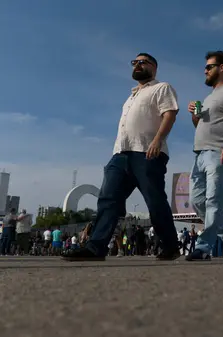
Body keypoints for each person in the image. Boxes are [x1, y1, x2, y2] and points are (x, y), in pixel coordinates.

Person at [62, 53, 180, 261]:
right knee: (108, 200)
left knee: (155, 201)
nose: (137, 65)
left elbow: (169, 114)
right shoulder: (131, 96)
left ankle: (170, 246)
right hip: (120, 155)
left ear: (154, 67)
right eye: (134, 63)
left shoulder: (162, 88)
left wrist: (158, 140)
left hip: (147, 152)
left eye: (142, 62)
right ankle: (95, 248)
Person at [186, 51, 223, 261]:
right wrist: (195, 115)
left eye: (209, 66)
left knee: (213, 201)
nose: (205, 70)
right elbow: (199, 125)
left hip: (219, 152)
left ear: (221, 68)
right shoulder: (208, 98)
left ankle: (203, 248)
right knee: (196, 201)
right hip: (200, 154)